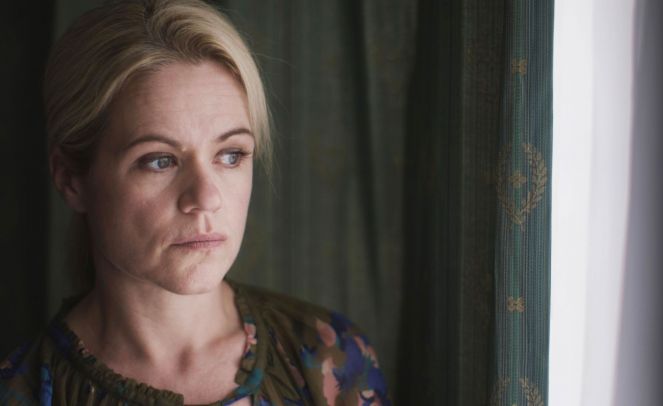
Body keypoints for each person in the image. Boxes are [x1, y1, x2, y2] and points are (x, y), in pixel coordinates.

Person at [0, 1, 390, 405]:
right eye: (159, 160)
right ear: (71, 179)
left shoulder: (333, 357)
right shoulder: (22, 394)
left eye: (231, 155)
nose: (206, 198)